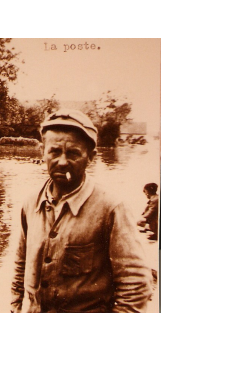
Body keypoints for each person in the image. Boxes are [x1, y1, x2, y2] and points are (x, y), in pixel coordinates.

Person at [11, 109, 152, 313]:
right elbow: (20, 265)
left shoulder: (111, 208)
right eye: (54, 151)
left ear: (91, 157)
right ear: (42, 152)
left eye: (73, 153)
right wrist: (15, 309)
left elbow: (136, 285)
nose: (62, 161)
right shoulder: (30, 203)